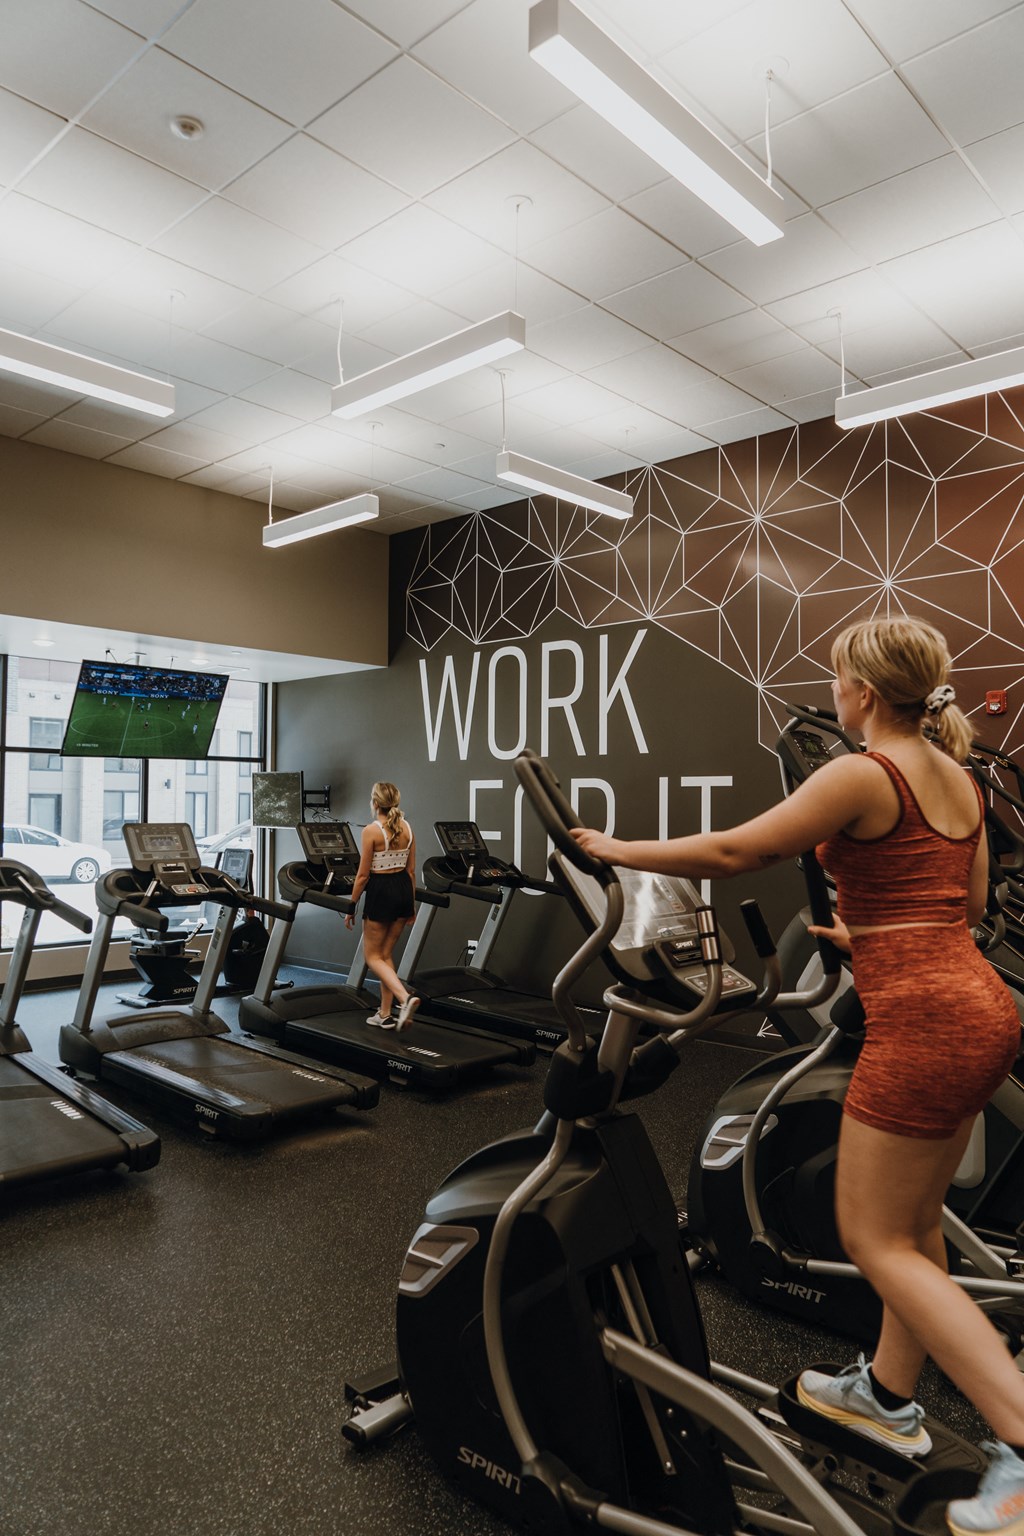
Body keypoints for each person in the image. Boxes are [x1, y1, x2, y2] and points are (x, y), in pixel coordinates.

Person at [571, 615, 1024, 1536]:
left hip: (926, 1022)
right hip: (978, 1005)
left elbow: (741, 851)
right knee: (914, 1230)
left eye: (836, 679)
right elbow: (963, 906)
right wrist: (874, 935)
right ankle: (886, 1399)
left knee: (875, 1239)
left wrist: (617, 851)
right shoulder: (963, 779)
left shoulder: (865, 770)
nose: (833, 693)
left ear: (862, 688)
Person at [344, 782, 420, 1032]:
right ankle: (384, 1014)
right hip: (402, 891)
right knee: (385, 955)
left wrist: (351, 905)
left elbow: (363, 876)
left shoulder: (371, 831)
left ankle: (404, 999)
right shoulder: (407, 828)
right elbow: (410, 871)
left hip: (381, 891)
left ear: (375, 803)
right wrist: (411, 906)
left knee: (372, 956)